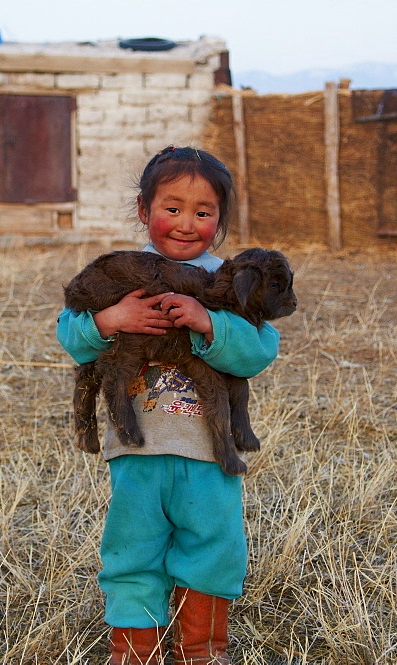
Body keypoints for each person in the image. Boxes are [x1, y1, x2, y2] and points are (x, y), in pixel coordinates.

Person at [56, 146, 281, 664]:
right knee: (133, 550)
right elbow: (71, 333)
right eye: (172, 208)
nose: (186, 224)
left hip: (208, 453)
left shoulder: (232, 283)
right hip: (138, 453)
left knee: (213, 545)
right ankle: (135, 653)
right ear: (143, 210)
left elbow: (259, 350)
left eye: (203, 212)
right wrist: (111, 321)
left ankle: (199, 650)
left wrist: (209, 323)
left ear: (220, 220)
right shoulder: (121, 275)